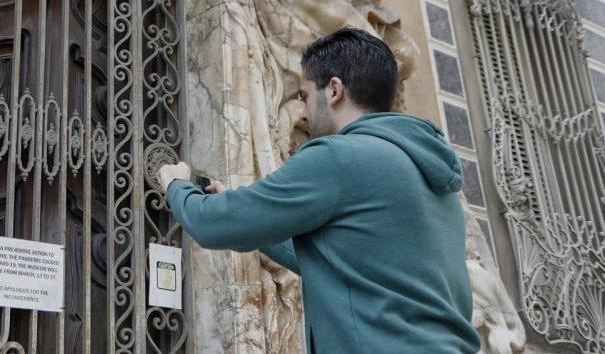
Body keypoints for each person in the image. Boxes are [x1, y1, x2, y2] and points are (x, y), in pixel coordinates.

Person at [159, 27, 480, 353]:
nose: (303, 110)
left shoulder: (339, 157)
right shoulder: (433, 178)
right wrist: (241, 207)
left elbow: (214, 225)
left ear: (335, 90)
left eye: (305, 95)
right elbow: (343, 261)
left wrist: (176, 186)